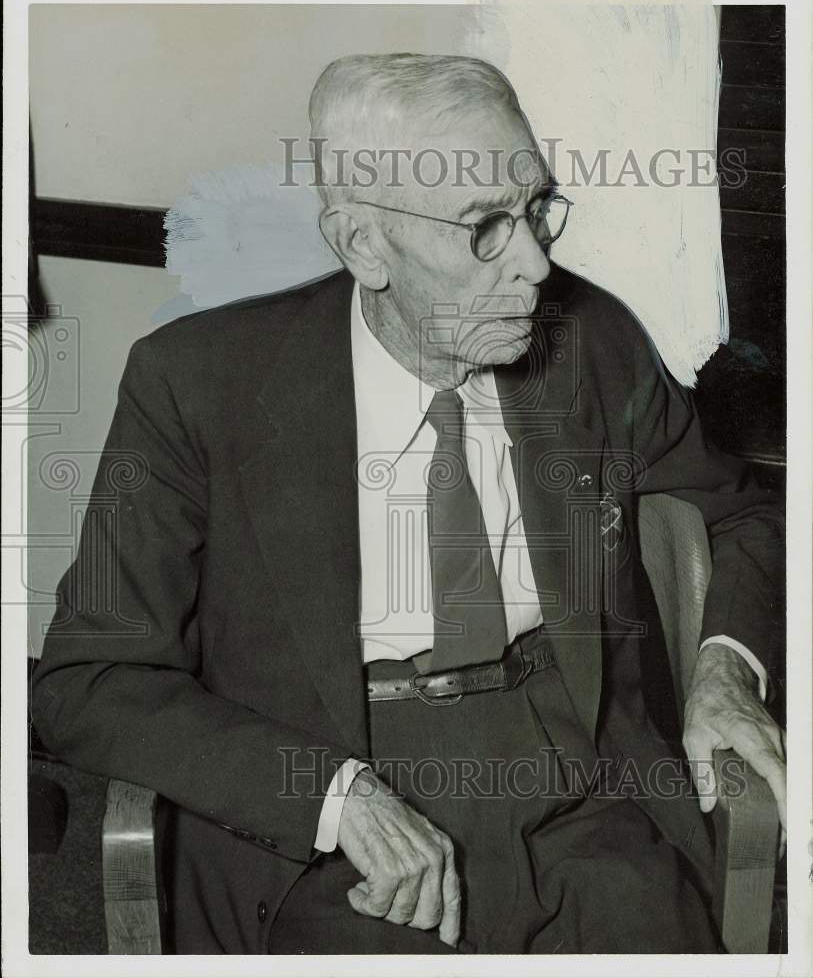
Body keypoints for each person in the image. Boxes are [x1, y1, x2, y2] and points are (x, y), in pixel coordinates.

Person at [32, 54, 786, 955]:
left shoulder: (591, 342)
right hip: (325, 773)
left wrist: (724, 668)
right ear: (362, 245)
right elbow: (89, 682)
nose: (538, 263)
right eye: (484, 228)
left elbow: (739, 509)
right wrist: (329, 793)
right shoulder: (198, 383)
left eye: (537, 208)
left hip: (579, 770)